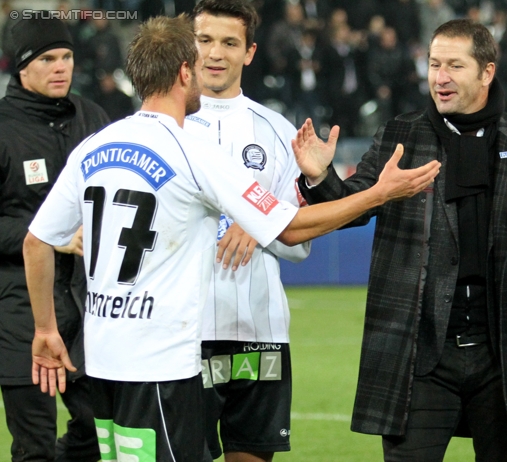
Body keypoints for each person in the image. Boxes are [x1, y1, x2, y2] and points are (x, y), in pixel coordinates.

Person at [22, 14, 440, 462]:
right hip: (160, 363)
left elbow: (37, 241)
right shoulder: (192, 150)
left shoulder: (96, 145)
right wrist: (377, 194)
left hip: (102, 359)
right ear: (185, 71)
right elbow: (288, 226)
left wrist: (45, 328)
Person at [293, 18, 507, 461]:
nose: (440, 77)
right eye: (434, 64)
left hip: (505, 355)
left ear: (486, 72)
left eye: (454, 65)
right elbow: (355, 206)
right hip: (420, 355)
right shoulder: (403, 136)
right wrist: (321, 178)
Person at [185, 1, 310, 460]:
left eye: (229, 43)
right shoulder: (162, 126)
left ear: (250, 52)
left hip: (260, 331)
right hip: (183, 335)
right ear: (189, 45)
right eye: (205, 40)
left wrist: (258, 226)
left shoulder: (278, 132)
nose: (215, 53)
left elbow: (301, 245)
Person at [0, 16, 109, 462]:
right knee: (34, 445)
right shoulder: (4, 129)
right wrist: (49, 237)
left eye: (66, 57)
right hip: (20, 310)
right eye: (47, 58)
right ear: (21, 66)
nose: (60, 67)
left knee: (97, 430)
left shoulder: (92, 117)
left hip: (89, 309)